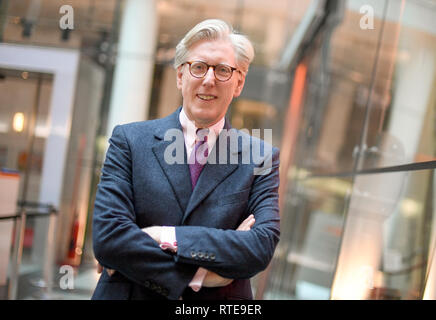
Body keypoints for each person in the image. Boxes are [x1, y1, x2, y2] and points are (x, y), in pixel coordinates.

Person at [92, 19, 280, 300]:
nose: (209, 79)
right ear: (181, 76)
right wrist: (202, 276)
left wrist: (163, 235)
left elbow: (259, 247)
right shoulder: (129, 141)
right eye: (199, 67)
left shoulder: (261, 157)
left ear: (239, 82)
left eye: (223, 70)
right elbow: (109, 238)